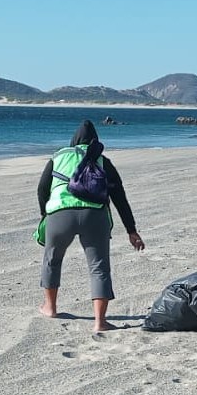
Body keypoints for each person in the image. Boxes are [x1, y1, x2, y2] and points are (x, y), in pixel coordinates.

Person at [37, 120, 145, 332]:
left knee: (52, 259)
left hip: (60, 214)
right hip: (95, 216)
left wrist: (45, 214)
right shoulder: (103, 160)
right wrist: (131, 231)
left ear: (74, 140)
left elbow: (42, 189)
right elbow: (119, 198)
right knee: (99, 267)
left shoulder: (58, 156)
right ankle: (100, 322)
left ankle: (50, 308)